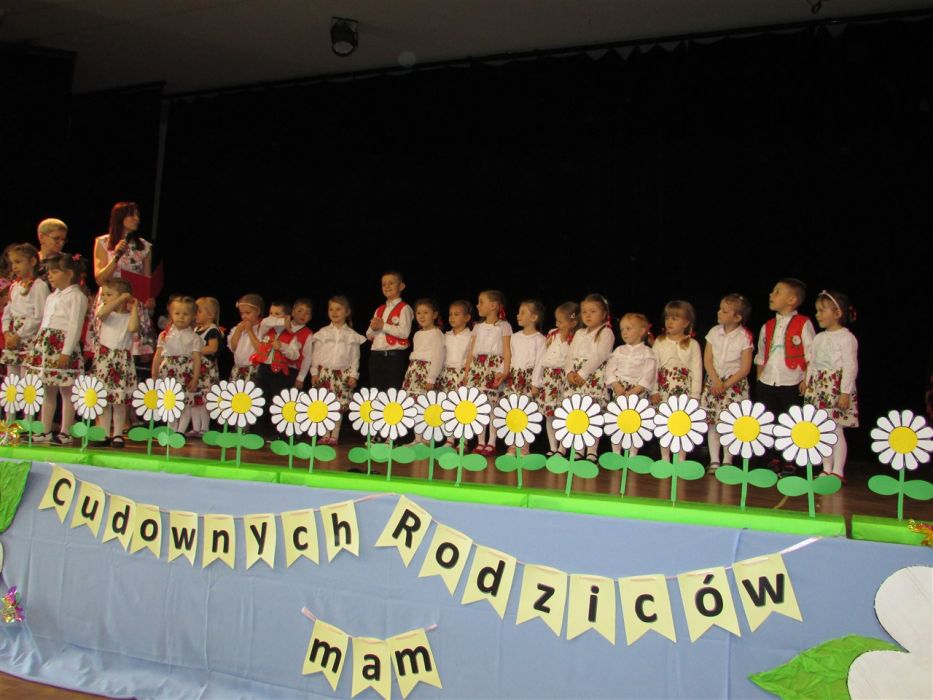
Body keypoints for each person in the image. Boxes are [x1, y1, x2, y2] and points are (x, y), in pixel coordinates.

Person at [25, 253, 88, 443]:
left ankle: (65, 431)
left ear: (69, 273)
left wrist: (66, 351)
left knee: (67, 391)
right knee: (48, 390)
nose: (49, 275)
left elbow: (75, 325)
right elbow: (45, 322)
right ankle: (44, 430)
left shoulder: (77, 296)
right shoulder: (52, 296)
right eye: (49, 272)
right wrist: (37, 346)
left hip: (62, 347)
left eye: (54, 271)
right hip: (47, 346)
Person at [755, 278, 815, 476]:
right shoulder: (768, 325)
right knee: (770, 420)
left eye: (777, 292)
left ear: (792, 300)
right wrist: (760, 377)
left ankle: (790, 460)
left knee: (791, 421)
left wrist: (806, 379)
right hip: (768, 380)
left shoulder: (803, 323)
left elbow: (811, 353)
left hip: (792, 380)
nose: (771, 295)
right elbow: (761, 353)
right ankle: (772, 458)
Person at [804, 289, 858, 481]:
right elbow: (813, 363)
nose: (817, 314)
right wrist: (808, 382)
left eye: (822, 310)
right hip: (819, 387)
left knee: (836, 428)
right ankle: (826, 468)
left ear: (837, 313)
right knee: (821, 429)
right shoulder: (819, 338)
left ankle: (838, 471)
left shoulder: (846, 338)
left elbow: (850, 366)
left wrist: (845, 392)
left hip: (835, 387)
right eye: (817, 310)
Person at [92, 202, 156, 358]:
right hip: (110, 300)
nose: (136, 219)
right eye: (131, 215)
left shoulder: (144, 247)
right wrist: (116, 256)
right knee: (108, 347)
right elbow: (100, 279)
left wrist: (150, 298)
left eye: (137, 215)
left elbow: (147, 279)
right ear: (120, 218)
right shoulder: (103, 242)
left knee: (129, 350)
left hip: (133, 302)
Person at [701, 295, 754, 471]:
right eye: (720, 309)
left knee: (730, 423)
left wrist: (725, 384)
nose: (719, 312)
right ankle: (714, 460)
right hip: (714, 382)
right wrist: (716, 381)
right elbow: (707, 360)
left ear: (737, 317)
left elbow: (745, 368)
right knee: (713, 422)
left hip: (733, 385)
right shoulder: (713, 332)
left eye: (724, 311)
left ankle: (728, 461)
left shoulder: (744, 336)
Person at [651, 300, 702, 463]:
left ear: (686, 323)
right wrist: (654, 390)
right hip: (664, 390)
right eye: (668, 318)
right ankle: (665, 459)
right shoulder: (660, 341)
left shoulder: (692, 344)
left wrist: (695, 396)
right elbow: (652, 367)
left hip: (683, 392)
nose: (669, 322)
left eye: (675, 318)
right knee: (664, 424)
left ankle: (681, 460)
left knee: (681, 424)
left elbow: (697, 371)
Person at [565, 293, 615, 462]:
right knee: (577, 413)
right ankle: (578, 449)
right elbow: (570, 354)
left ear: (604, 314)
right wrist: (569, 372)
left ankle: (592, 450)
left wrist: (583, 373)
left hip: (592, 376)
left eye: (593, 311)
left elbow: (600, 355)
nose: (587, 315)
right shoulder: (579, 333)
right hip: (576, 378)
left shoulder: (606, 332)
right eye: (584, 311)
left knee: (592, 414)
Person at [311, 296, 366, 445]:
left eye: (338, 309)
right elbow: (316, 354)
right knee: (324, 404)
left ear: (347, 312)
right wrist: (314, 372)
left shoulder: (351, 335)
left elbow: (355, 357)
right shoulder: (323, 332)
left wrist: (354, 375)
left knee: (338, 405)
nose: (334, 312)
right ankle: (324, 434)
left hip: (343, 374)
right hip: (325, 373)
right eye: (331, 309)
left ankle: (334, 435)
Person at [92, 278, 139, 446]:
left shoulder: (129, 316)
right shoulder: (107, 313)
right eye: (103, 294)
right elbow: (101, 314)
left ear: (123, 295)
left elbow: (133, 328)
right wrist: (118, 299)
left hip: (121, 359)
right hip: (105, 359)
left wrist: (134, 308)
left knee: (119, 399)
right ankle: (104, 433)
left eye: (109, 294)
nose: (104, 297)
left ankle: (118, 434)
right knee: (104, 398)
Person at [465, 290, 512, 455]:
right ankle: (480, 441)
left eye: (481, 302)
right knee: (478, 406)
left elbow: (507, 351)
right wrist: (467, 371)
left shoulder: (504, 326)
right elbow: (471, 351)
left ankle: (491, 441)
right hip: (477, 367)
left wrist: (505, 371)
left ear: (493, 306)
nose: (478, 305)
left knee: (492, 405)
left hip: (494, 367)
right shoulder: (477, 327)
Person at [605, 312, 657, 456]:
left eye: (628, 329)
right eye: (622, 329)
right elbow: (610, 370)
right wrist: (616, 385)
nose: (624, 332)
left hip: (637, 392)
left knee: (635, 423)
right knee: (617, 422)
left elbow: (649, 374)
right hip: (620, 391)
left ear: (642, 331)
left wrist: (636, 390)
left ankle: (632, 455)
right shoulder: (619, 350)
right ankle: (616, 454)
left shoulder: (648, 352)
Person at [533, 301, 579, 456]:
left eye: (560, 321)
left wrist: (565, 340)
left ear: (573, 323)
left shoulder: (576, 337)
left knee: (564, 414)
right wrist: (537, 380)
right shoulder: (552, 334)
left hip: (564, 378)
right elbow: (543, 357)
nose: (557, 324)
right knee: (550, 414)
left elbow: (569, 358)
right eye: (556, 320)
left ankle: (562, 448)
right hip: (549, 378)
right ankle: (553, 447)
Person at [151, 297, 203, 433]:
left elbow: (197, 359)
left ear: (193, 316)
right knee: (169, 402)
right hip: (167, 371)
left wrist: (195, 378)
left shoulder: (194, 338)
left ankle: (180, 432)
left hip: (184, 372)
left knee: (184, 403)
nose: (181, 317)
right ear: (171, 314)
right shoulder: (164, 335)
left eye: (186, 314)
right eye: (177, 313)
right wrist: (154, 373)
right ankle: (171, 430)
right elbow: (158, 355)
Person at [250, 300, 301, 436]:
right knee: (260, 400)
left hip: (280, 374)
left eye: (277, 314)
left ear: (287, 316)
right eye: (271, 313)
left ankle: (277, 434)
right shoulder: (266, 328)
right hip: (264, 369)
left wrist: (282, 347)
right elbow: (266, 321)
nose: (272, 316)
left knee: (278, 403)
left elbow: (295, 355)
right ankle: (257, 433)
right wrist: (282, 321)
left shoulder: (291, 335)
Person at [1, 244, 50, 377]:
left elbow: (39, 316)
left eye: (18, 262)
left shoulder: (39, 286)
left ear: (32, 261)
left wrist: (18, 335)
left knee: (27, 380)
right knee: (12, 380)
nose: (14, 267)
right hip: (13, 338)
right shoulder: (14, 286)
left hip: (29, 338)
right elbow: (7, 312)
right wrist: (6, 333)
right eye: (12, 263)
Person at [366, 270, 412, 391]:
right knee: (376, 393)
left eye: (391, 283)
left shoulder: (405, 308)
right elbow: (369, 334)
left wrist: (383, 326)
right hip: (376, 357)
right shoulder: (379, 309)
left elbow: (404, 332)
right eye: (384, 284)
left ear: (401, 286)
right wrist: (374, 329)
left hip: (394, 358)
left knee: (392, 394)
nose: (387, 286)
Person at [191, 297, 222, 436]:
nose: (196, 314)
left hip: (206, 370)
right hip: (196, 369)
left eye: (199, 311)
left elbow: (213, 348)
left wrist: (195, 350)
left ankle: (205, 427)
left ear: (210, 315)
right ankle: (196, 427)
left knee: (204, 399)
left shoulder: (212, 330)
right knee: (194, 398)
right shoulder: (196, 329)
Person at [402, 298, 445, 398]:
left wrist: (431, 378)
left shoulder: (437, 334)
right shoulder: (417, 334)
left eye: (426, 313)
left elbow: (438, 357)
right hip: (414, 371)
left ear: (434, 315)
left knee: (425, 400)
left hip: (427, 372)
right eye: (418, 313)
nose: (421, 316)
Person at [436, 300, 473, 395]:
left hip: (462, 375)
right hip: (445, 375)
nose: (452, 317)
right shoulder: (445, 336)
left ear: (467, 317)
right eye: (450, 314)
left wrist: (467, 375)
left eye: (456, 314)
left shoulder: (471, 336)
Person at [228, 294, 263, 382]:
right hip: (237, 369)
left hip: (254, 370)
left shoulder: (262, 329)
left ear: (258, 311)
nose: (244, 316)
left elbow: (261, 350)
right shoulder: (237, 328)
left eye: (247, 313)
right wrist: (238, 331)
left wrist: (250, 331)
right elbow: (233, 347)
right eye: (241, 313)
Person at [289, 298, 315, 389]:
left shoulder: (308, 334)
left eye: (307, 313)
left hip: (292, 371)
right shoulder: (281, 326)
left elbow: (307, 357)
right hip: (273, 367)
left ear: (310, 317)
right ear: (293, 312)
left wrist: (300, 378)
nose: (303, 315)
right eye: (300, 311)